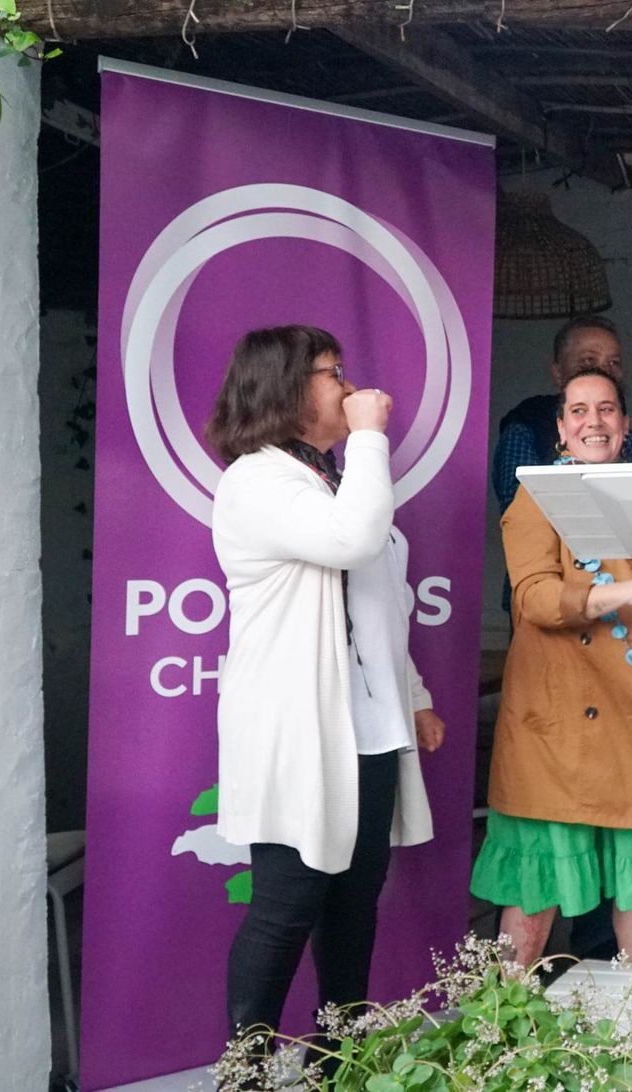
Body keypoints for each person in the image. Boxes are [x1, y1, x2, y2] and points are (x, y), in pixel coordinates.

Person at [208, 325, 443, 1045]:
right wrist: (371, 436)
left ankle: (335, 1064)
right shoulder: (255, 479)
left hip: (368, 727)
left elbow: (376, 607)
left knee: (354, 901)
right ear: (285, 389)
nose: (347, 386)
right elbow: (353, 539)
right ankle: (244, 1074)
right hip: (296, 728)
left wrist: (418, 693)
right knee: (287, 902)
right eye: (331, 373)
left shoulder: (328, 476)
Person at [470, 368, 632, 970]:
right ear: (560, 430)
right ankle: (502, 1028)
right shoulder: (537, 493)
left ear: (625, 427)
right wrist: (624, 595)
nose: (592, 422)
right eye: (578, 411)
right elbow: (533, 599)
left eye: (606, 410)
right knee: (536, 877)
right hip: (556, 720)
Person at [490, 315, 632, 513]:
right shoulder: (527, 430)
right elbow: (517, 509)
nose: (603, 371)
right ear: (558, 373)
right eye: (588, 360)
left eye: (613, 363)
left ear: (625, 423)